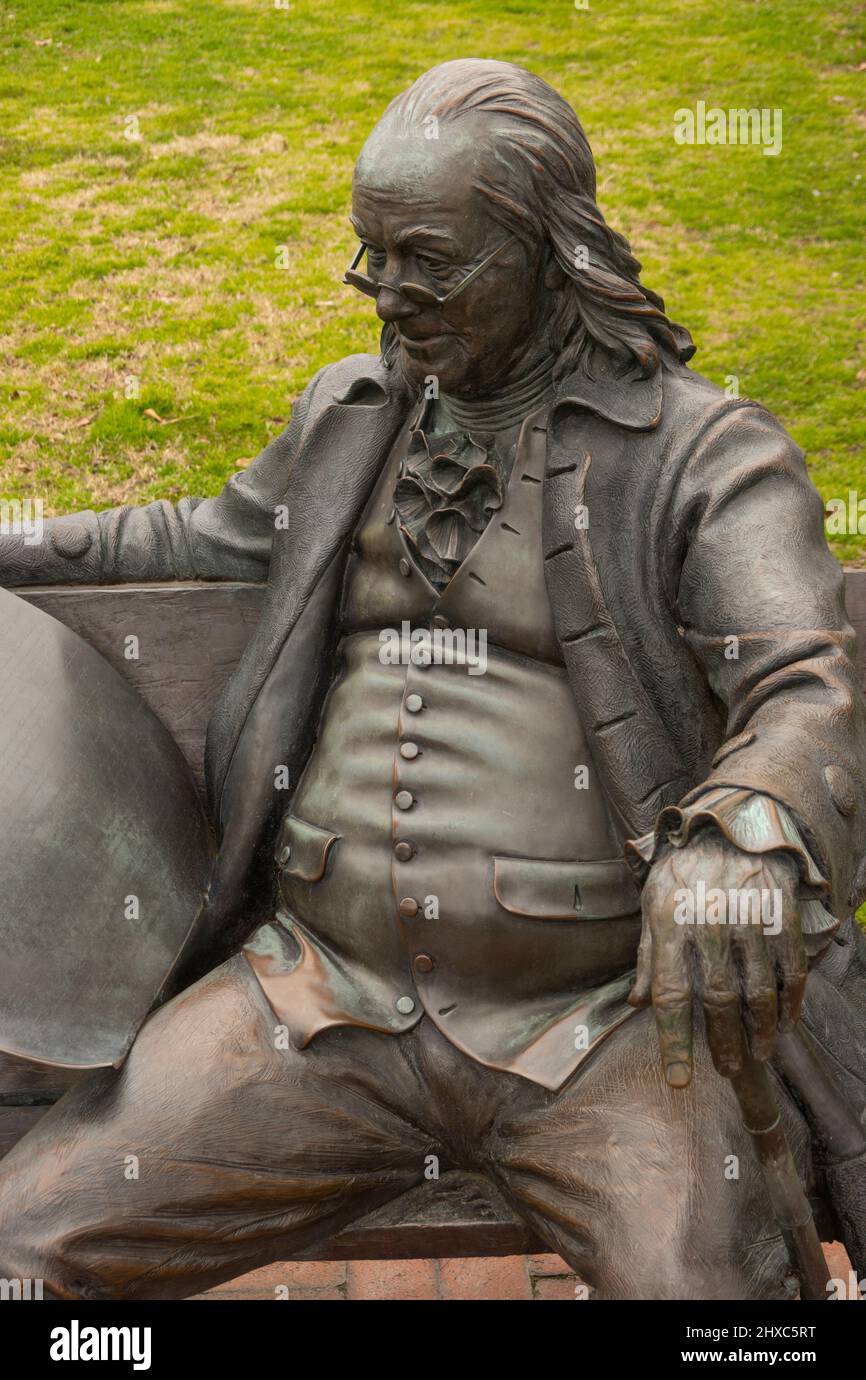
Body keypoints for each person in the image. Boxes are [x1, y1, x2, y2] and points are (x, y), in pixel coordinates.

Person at [1, 59, 865, 1300]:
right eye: (370, 255)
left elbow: (800, 683)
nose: (386, 295)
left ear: (546, 248)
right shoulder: (352, 416)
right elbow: (180, 539)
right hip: (311, 1002)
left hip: (600, 1029)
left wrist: (745, 827)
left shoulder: (700, 456)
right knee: (23, 1261)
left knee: (713, 1308)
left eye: (428, 260)